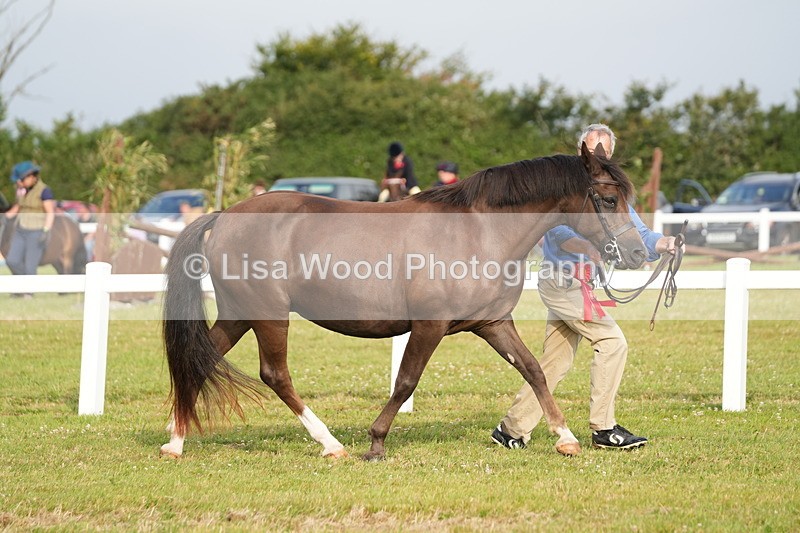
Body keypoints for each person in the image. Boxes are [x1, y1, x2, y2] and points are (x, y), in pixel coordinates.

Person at [491, 123, 680, 451]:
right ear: (582, 152)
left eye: (604, 152)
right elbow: (558, 233)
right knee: (612, 342)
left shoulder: (608, 191)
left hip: (582, 285)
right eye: (593, 151)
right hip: (562, 282)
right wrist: (589, 247)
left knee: (555, 361)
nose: (598, 158)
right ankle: (604, 428)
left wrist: (663, 243)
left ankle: (511, 430)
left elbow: (634, 231)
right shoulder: (564, 188)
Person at [4, 161, 56, 283]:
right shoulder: (22, 190)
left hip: (36, 231)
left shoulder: (44, 191)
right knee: (12, 261)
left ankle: (28, 289)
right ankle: (25, 284)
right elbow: (18, 207)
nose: (19, 183)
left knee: (30, 266)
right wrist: (4, 217)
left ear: (31, 176)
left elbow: (50, 212)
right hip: (20, 230)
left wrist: (46, 230)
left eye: (21, 180)